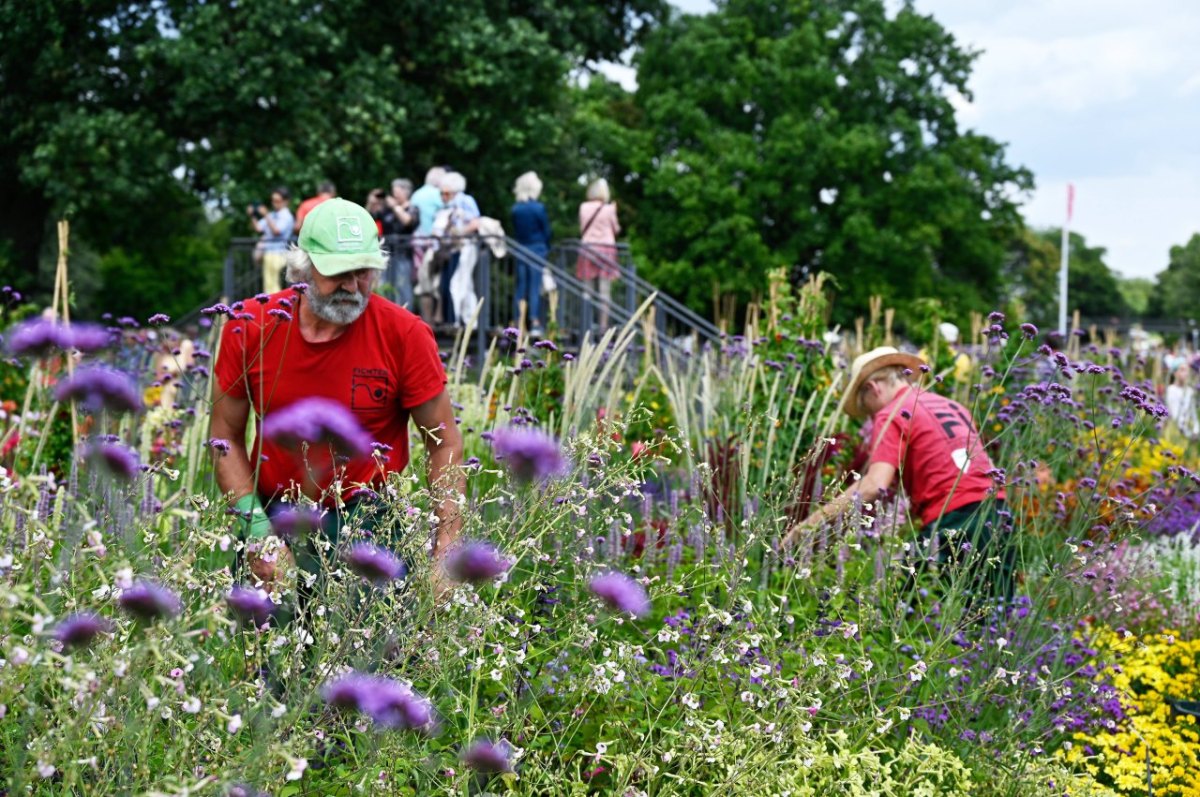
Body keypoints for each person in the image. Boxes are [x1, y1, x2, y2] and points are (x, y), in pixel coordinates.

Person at [211, 197, 464, 590]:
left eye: (362, 272)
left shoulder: (405, 334)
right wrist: (258, 531)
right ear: (303, 268)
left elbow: (444, 443)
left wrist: (446, 551)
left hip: (369, 521)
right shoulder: (251, 326)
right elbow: (224, 437)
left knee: (375, 651)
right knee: (266, 647)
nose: (351, 285)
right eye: (337, 272)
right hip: (274, 511)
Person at [783, 347, 1012, 600]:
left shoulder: (893, 412)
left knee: (906, 611)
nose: (871, 419)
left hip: (953, 520)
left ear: (873, 387)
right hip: (999, 512)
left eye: (867, 410)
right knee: (994, 615)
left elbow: (874, 484)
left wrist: (806, 528)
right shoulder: (952, 405)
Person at [433, 172, 481, 328]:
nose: (443, 196)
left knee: (461, 283)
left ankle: (465, 320)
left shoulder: (465, 200)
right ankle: (457, 319)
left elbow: (475, 222)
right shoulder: (447, 206)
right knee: (455, 284)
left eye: (446, 193)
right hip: (452, 249)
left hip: (465, 247)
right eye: (441, 193)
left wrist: (459, 233)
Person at [576, 178, 621, 331]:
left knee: (587, 289)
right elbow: (615, 229)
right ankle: (603, 325)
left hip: (588, 248)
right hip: (606, 249)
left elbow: (582, 227)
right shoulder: (609, 208)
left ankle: (586, 323)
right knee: (604, 291)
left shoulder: (583, 207)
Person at [510, 171, 551, 336]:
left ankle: (517, 321)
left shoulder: (516, 209)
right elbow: (546, 231)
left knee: (521, 286)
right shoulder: (538, 208)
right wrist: (546, 246)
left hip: (521, 249)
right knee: (534, 286)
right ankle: (534, 321)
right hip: (537, 250)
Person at [375, 178, 420, 309]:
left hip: (403, 254)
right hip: (387, 254)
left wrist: (395, 207)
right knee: (385, 286)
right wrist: (373, 201)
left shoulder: (413, 208)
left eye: (397, 192)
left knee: (402, 286)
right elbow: (370, 215)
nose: (394, 195)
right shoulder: (387, 210)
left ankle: (405, 314)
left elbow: (407, 221)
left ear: (406, 192)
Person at [410, 167, 447, 324]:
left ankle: (427, 320)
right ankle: (438, 317)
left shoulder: (416, 194)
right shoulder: (438, 195)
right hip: (433, 243)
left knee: (423, 282)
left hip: (417, 242)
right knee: (436, 281)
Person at [248, 187, 295, 294]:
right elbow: (258, 228)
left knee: (274, 286)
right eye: (273, 200)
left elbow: (277, 231)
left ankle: (276, 307)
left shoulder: (286, 216)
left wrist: (266, 215)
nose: (274, 204)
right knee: (269, 285)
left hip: (279, 254)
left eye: (277, 201)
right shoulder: (273, 214)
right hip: (269, 253)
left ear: (285, 201)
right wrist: (253, 215)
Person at [1166, 364, 1200, 439]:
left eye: (1186, 371)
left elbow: (1193, 414)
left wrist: (1196, 431)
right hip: (1170, 431)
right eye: (1182, 370)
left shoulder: (1190, 392)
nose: (1185, 373)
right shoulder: (1169, 390)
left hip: (1186, 434)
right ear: (1175, 373)